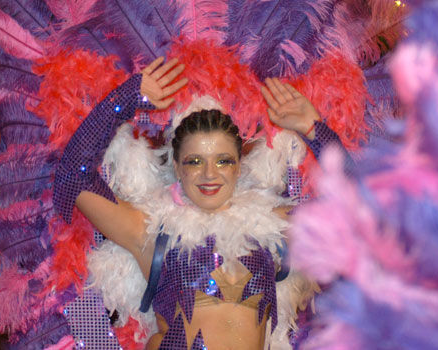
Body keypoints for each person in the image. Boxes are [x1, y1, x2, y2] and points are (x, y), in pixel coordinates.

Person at [53, 56, 349, 349]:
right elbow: (72, 181)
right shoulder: (150, 232)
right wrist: (125, 98)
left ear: (237, 167)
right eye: (195, 161)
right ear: (178, 169)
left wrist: (312, 127)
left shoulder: (274, 225)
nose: (209, 174)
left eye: (223, 161)